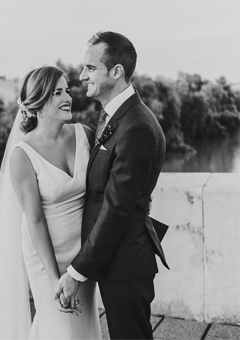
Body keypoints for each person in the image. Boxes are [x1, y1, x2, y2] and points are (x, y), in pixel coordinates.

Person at [0, 66, 101, 339]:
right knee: (60, 325)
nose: (68, 97)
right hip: (46, 256)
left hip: (83, 252)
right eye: (57, 93)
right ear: (38, 103)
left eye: (67, 90)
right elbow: (35, 220)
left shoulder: (84, 134)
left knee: (84, 325)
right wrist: (55, 279)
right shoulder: (22, 155)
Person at [55, 31, 168, 340]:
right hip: (114, 258)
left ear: (116, 72)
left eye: (90, 68)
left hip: (126, 262)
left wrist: (77, 272)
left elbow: (116, 207)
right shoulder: (116, 116)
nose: (81, 76)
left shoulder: (137, 128)